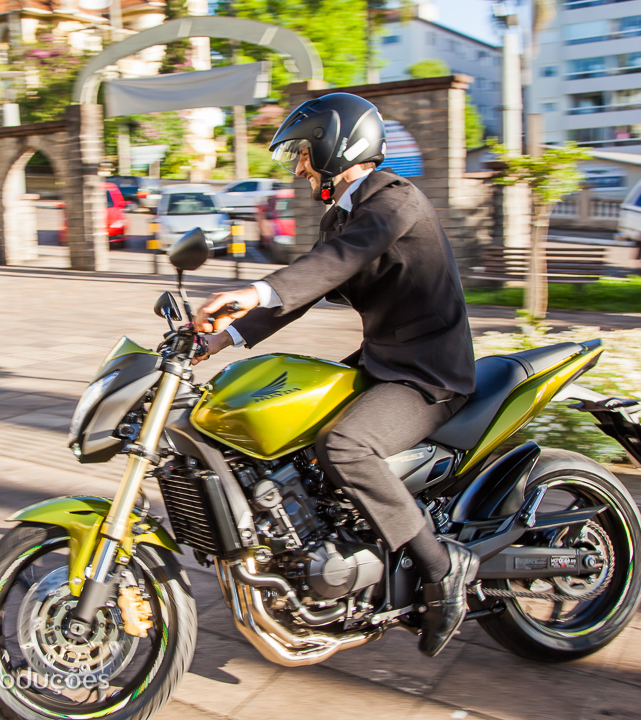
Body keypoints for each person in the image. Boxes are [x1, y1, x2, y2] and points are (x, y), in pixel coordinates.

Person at [194, 93, 479, 658]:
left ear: (335, 144)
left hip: (428, 373)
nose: (299, 166)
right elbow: (304, 292)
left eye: (303, 153)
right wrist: (222, 339)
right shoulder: (343, 213)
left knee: (345, 446)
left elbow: (335, 262)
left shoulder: (396, 200)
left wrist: (249, 289)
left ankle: (441, 567)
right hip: (381, 361)